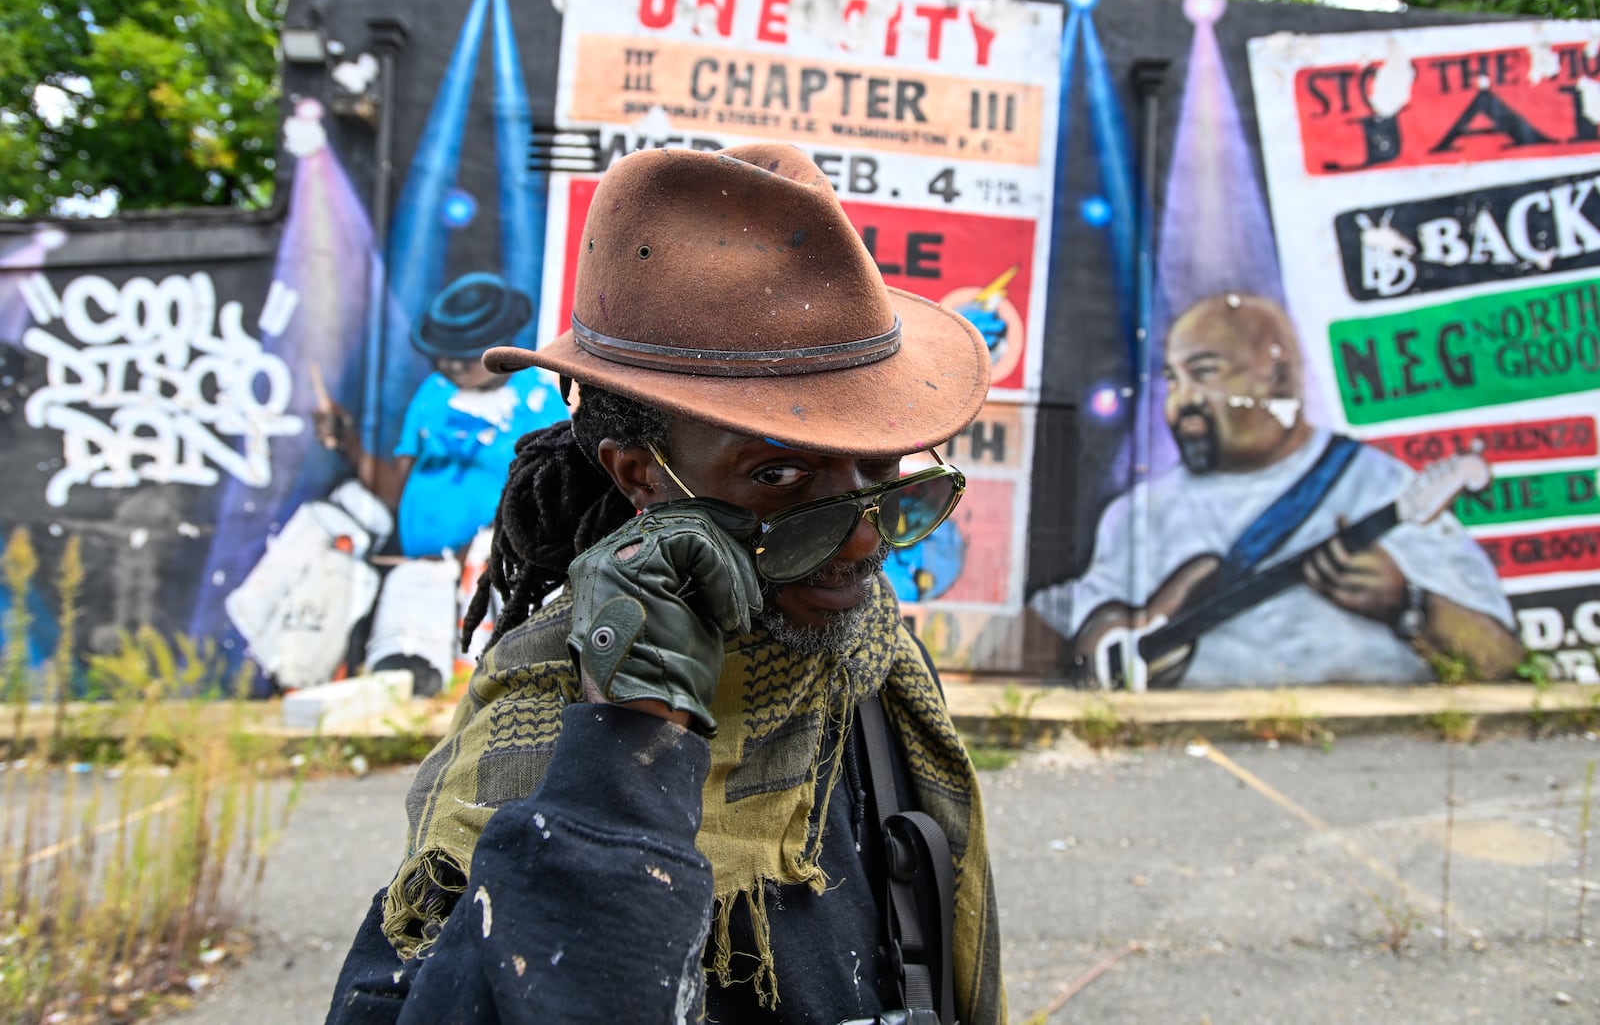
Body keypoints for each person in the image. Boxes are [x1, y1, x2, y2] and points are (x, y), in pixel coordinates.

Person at [325, 143, 1006, 1024]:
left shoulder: (874, 669)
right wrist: (629, 735)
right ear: (641, 474)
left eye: (881, 467)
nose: (867, 535)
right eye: (781, 475)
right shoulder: (543, 727)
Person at [1028, 292, 1522, 689]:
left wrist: (1408, 604)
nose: (1183, 402)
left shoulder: (1382, 489)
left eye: (1204, 373)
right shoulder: (1140, 512)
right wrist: (1098, 637)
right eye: (1173, 380)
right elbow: (1059, 625)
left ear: (1278, 375)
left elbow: (1498, 657)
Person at [314, 271, 569, 558]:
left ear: (504, 343)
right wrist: (348, 443)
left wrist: (477, 554)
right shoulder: (434, 392)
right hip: (421, 570)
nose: (451, 365)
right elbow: (399, 488)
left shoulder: (542, 406)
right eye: (443, 353)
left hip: (494, 571)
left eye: (467, 354)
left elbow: (547, 507)